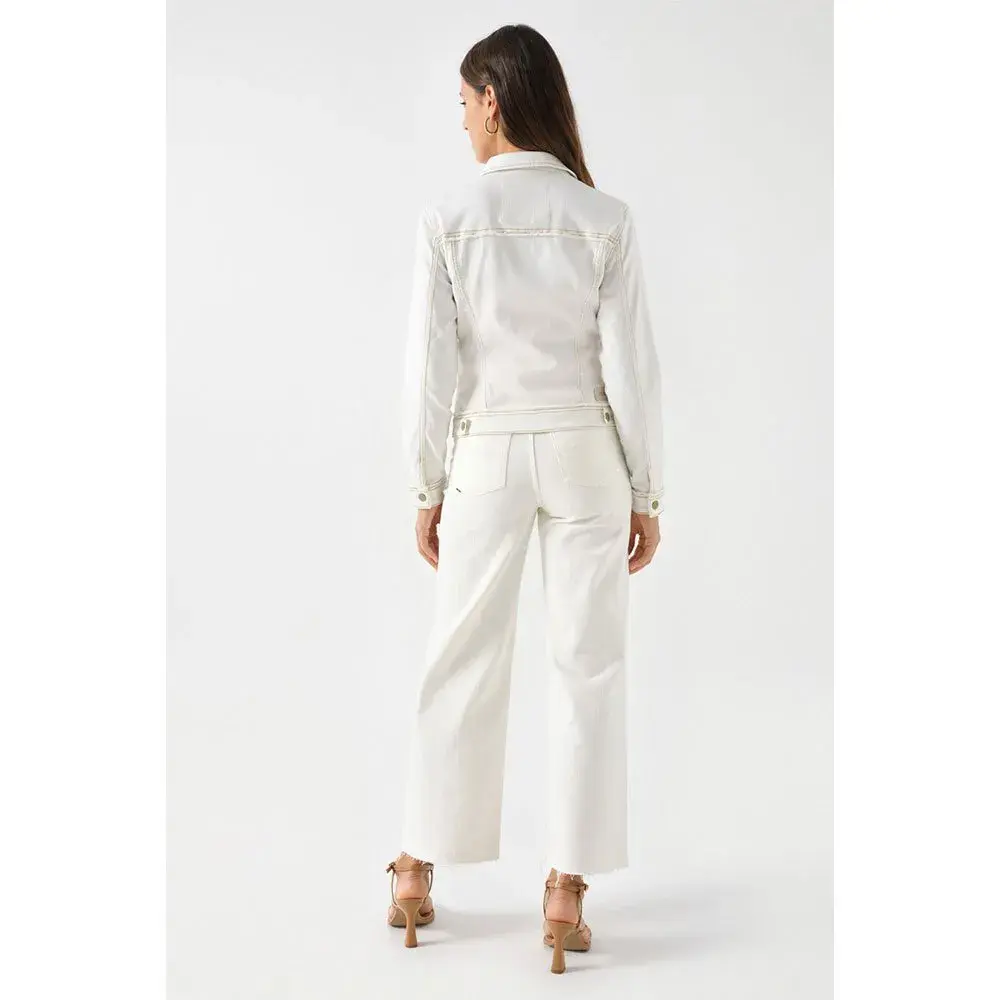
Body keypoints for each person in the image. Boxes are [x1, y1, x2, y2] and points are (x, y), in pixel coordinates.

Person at [387, 23, 664, 974]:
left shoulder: (448, 219)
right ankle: (565, 889)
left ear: (495, 101)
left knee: (459, 657)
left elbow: (429, 372)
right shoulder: (604, 218)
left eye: (466, 104)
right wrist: (646, 490)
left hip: (487, 456)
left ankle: (416, 870)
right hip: (587, 454)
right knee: (587, 666)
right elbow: (634, 371)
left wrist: (426, 484)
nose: (462, 121)